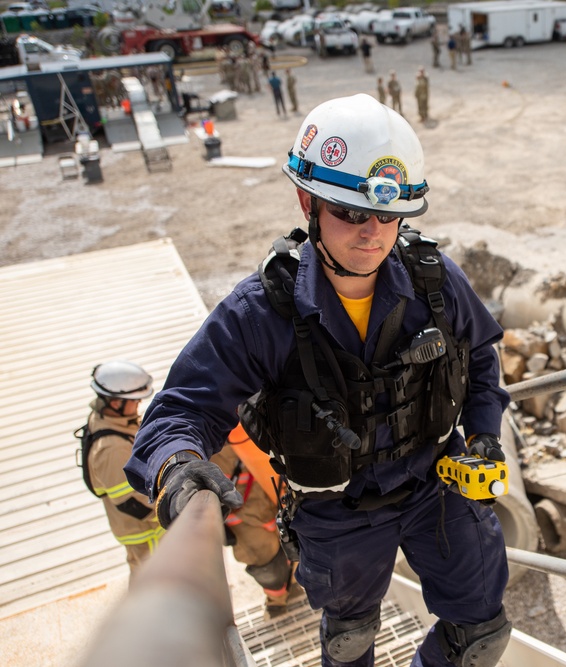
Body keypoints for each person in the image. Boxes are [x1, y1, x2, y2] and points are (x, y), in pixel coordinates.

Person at [125, 93, 512, 667]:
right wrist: (179, 471)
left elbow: (481, 354)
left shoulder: (435, 281)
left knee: (480, 635)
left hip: (437, 485)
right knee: (349, 644)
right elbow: (181, 410)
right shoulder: (260, 313)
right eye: (350, 213)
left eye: (388, 215)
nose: (372, 233)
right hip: (338, 511)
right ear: (307, 200)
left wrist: (482, 436)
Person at [84, 361, 163, 583]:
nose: (138, 405)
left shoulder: (112, 420)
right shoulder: (111, 449)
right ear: (116, 402)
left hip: (148, 528)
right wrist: (173, 513)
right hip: (146, 533)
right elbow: (132, 503)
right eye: (134, 401)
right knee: (153, 583)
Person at [214, 425, 301, 618]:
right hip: (244, 514)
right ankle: (277, 602)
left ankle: (292, 586)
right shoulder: (203, 423)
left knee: (291, 545)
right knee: (266, 564)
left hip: (271, 495)